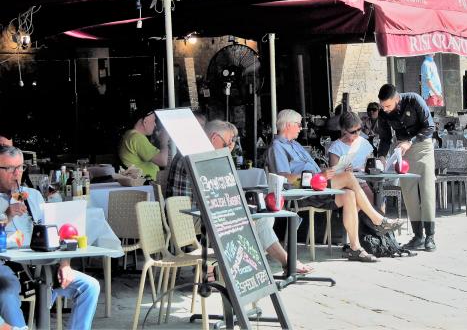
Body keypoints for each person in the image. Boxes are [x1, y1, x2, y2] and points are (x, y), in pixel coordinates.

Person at [168, 119, 312, 274]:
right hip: (188, 217)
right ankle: (282, 262)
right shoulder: (198, 156)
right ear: (214, 138)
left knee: (261, 216)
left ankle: (264, 261)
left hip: (196, 211)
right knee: (258, 218)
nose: (230, 146)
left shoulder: (197, 151)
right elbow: (219, 191)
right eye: (227, 143)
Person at [267, 109, 402, 263]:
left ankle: (355, 248)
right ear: (288, 125)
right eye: (298, 125)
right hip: (303, 191)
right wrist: (317, 176)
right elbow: (284, 177)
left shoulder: (295, 144)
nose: (301, 128)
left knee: (349, 195)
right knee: (349, 177)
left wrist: (323, 172)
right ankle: (377, 219)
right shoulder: (277, 146)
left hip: (317, 187)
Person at [0, 145, 100, 330]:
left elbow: (56, 233)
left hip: (39, 266)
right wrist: (7, 215)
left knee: (90, 287)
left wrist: (64, 263)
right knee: (5, 291)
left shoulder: (34, 196)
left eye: (20, 167)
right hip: (6, 265)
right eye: (9, 169)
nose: (16, 174)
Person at [377, 84, 436, 251]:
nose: (385, 109)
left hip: (423, 146)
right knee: (409, 193)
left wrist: (411, 142)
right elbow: (385, 138)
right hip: (402, 151)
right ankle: (418, 236)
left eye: (388, 106)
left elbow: (430, 127)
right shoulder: (383, 112)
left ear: (397, 99)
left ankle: (430, 236)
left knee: (427, 191)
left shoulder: (414, 99)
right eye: (383, 106)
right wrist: (381, 156)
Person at [329, 112, 375, 205]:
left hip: (364, 181)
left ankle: (375, 218)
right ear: (344, 130)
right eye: (353, 132)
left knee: (378, 200)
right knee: (362, 199)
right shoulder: (336, 147)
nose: (357, 133)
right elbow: (333, 173)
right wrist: (344, 171)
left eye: (359, 129)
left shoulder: (364, 143)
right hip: (345, 185)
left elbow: (371, 163)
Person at [118, 107, 168, 179]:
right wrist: (164, 141)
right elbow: (163, 161)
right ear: (144, 122)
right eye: (153, 121)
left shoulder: (129, 135)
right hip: (145, 185)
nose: (155, 125)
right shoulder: (137, 138)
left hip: (142, 184)